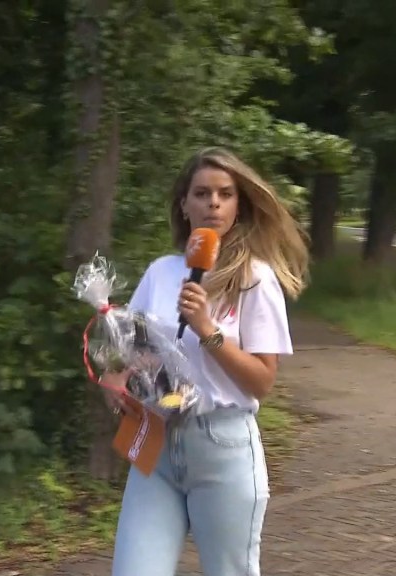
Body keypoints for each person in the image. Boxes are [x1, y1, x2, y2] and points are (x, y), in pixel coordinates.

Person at [100, 146, 310, 576]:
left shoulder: (255, 279)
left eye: (225, 194)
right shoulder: (160, 272)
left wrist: (206, 328)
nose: (213, 203)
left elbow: (261, 381)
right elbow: (130, 353)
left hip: (222, 448)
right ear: (184, 205)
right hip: (158, 444)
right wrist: (116, 380)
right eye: (202, 193)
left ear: (238, 206)